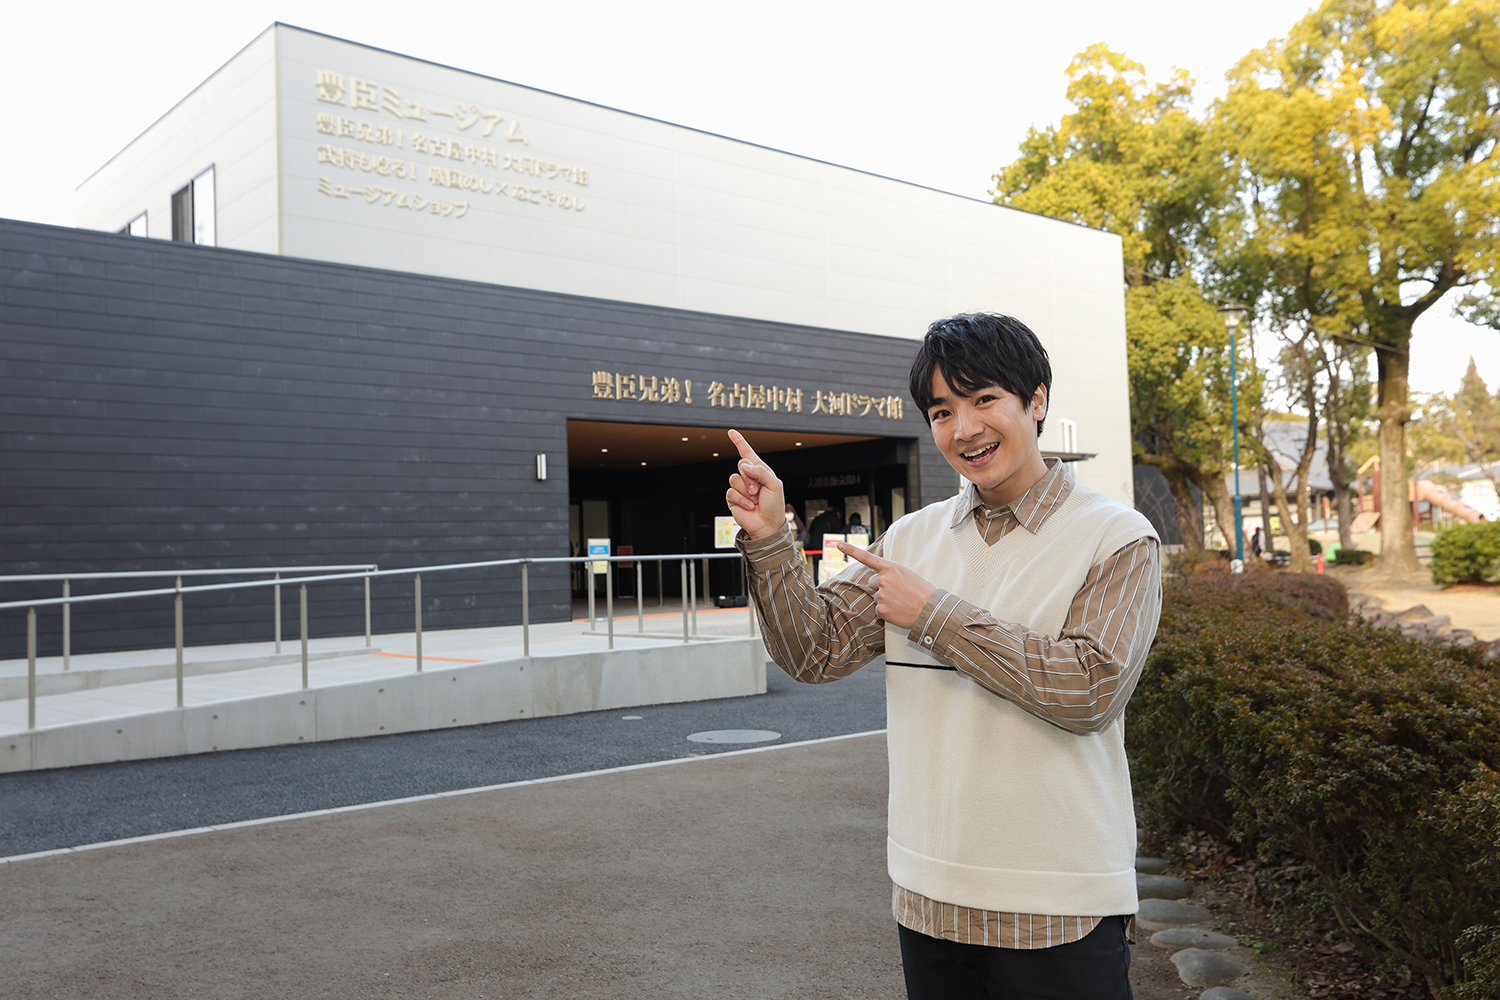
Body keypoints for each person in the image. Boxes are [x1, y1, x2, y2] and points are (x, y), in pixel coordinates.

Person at [726, 312, 1161, 1000]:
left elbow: (1089, 691)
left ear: (1037, 400)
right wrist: (771, 537)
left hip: (1060, 899)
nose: (965, 429)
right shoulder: (911, 538)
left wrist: (933, 614)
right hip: (929, 890)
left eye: (984, 399)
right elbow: (814, 651)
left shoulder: (1115, 536)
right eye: (942, 411)